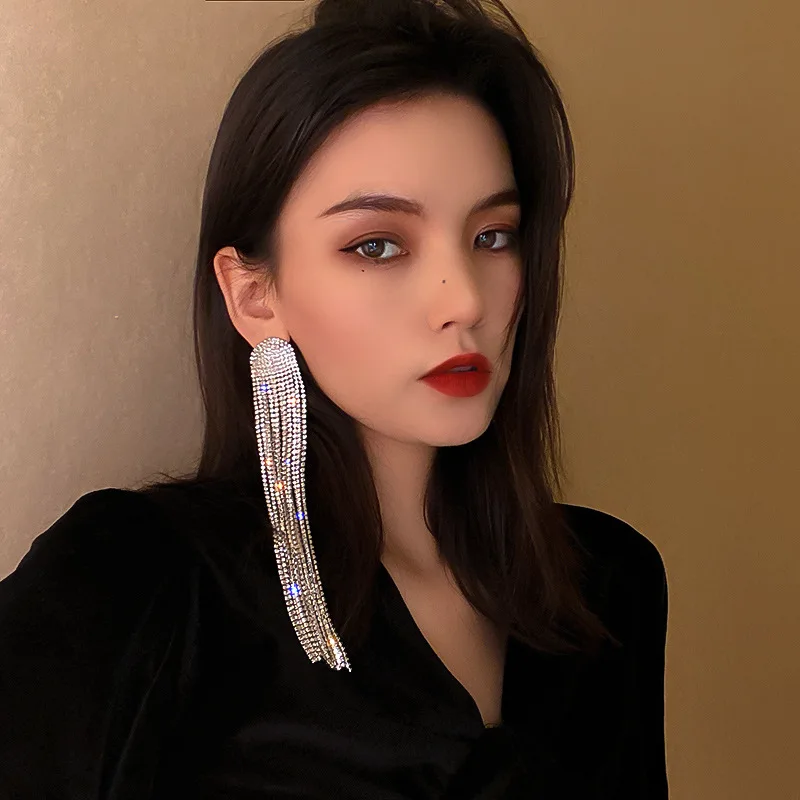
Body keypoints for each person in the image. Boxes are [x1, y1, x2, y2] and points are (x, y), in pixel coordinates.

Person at [0, 0, 669, 797]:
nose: (464, 299)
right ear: (254, 296)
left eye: (493, 236)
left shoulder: (606, 585)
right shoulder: (137, 581)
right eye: (377, 245)